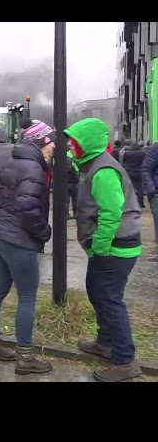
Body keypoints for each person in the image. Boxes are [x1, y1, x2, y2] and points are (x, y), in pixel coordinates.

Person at [65, 117, 143, 382]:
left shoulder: (104, 170)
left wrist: (99, 245)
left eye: (74, 141)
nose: (70, 145)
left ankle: (125, 360)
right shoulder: (93, 164)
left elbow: (112, 212)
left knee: (109, 300)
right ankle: (106, 342)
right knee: (99, 294)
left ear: (87, 143)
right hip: (111, 247)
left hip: (115, 248)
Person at [0, 119, 55, 375]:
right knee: (27, 297)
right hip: (19, 240)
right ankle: (24, 357)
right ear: (41, 142)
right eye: (51, 141)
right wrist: (44, 232)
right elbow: (28, 209)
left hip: (0, 235)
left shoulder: (12, 163)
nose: (54, 147)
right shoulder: (34, 169)